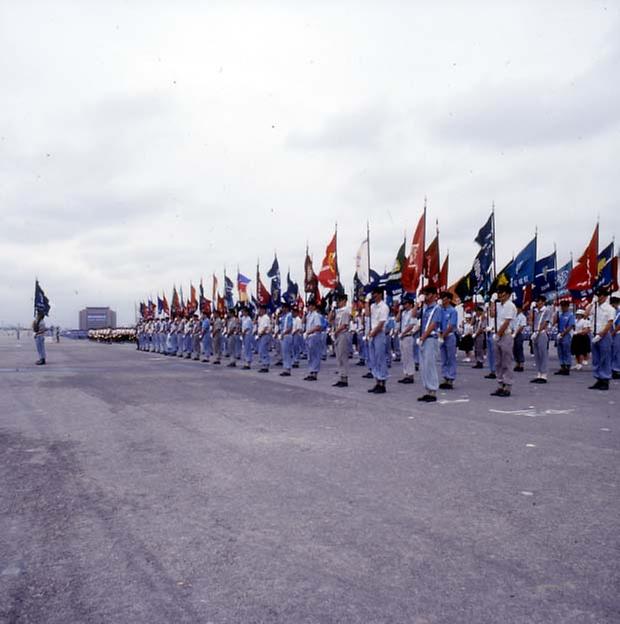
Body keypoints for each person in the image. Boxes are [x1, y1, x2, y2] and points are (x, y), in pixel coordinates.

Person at [490, 284, 516, 397]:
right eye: (499, 292)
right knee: (498, 362)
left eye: (502, 293)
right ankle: (500, 384)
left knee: (506, 361)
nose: (500, 295)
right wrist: (492, 302)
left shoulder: (509, 305)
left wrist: (498, 334)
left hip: (505, 335)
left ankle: (508, 386)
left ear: (508, 294)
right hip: (497, 334)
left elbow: (506, 323)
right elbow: (492, 314)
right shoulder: (499, 305)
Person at [417, 286, 442, 402]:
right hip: (423, 339)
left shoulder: (436, 308)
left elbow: (433, 324)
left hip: (430, 338)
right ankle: (427, 390)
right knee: (424, 366)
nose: (425, 296)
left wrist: (423, 337)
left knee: (430, 364)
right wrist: (418, 303)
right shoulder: (424, 308)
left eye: (427, 294)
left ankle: (433, 391)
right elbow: (414, 315)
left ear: (433, 295)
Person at [589, 288, 615, 390]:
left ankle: (605, 380)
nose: (598, 298)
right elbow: (586, 314)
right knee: (596, 358)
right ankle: (598, 379)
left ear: (605, 297)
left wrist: (601, 334)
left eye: (600, 296)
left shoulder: (609, 309)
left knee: (605, 358)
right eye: (597, 296)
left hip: (604, 335)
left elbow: (610, 323)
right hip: (594, 335)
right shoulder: (595, 307)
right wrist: (592, 302)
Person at [367, 287, 389, 394]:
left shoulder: (384, 307)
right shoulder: (373, 306)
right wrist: (367, 302)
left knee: (380, 358)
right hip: (372, 333)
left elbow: (381, 324)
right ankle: (377, 382)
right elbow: (367, 315)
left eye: (375, 294)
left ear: (380, 294)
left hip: (379, 334)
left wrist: (372, 333)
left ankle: (382, 384)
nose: (373, 296)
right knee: (373, 359)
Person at [438, 291, 458, 390]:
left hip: (449, 336)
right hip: (441, 335)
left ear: (449, 300)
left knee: (451, 358)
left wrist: (443, 336)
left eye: (444, 298)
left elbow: (451, 325)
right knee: (443, 358)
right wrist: (439, 334)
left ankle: (450, 378)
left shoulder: (452, 311)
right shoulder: (440, 310)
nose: (443, 300)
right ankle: (445, 377)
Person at [398, 293, 419, 384]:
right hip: (402, 336)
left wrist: (403, 333)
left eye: (406, 304)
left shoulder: (412, 312)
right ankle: (406, 374)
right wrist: (399, 311)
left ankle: (410, 376)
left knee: (409, 357)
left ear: (410, 304)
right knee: (404, 357)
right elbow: (397, 320)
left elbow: (411, 325)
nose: (404, 305)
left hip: (408, 336)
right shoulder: (403, 313)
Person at [530, 295, 552, 384]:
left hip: (542, 333)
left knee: (543, 354)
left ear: (543, 302)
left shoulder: (546, 310)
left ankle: (544, 374)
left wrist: (537, 332)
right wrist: (531, 311)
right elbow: (531, 321)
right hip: (534, 333)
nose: (537, 303)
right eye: (536, 301)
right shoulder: (535, 311)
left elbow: (545, 323)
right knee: (536, 354)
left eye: (539, 301)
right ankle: (539, 373)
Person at [332, 293, 352, 387]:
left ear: (344, 301)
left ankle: (344, 378)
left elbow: (344, 325)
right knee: (338, 357)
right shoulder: (338, 311)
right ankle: (341, 377)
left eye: (339, 300)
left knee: (343, 356)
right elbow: (330, 320)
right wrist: (332, 309)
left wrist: (335, 332)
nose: (338, 303)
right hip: (337, 334)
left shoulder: (346, 311)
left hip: (343, 334)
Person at [554, 300, 575, 375]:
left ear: (567, 306)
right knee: (560, 351)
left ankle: (567, 367)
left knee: (566, 351)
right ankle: (562, 366)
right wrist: (556, 314)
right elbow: (554, 322)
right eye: (561, 306)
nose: (562, 308)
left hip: (566, 335)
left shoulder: (570, 315)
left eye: (564, 306)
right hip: (559, 334)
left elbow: (570, 326)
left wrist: (563, 334)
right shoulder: (560, 314)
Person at [304, 299, 322, 381]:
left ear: (314, 306)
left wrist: (308, 332)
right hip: (309, 336)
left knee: (315, 355)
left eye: (310, 305)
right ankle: (311, 371)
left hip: (314, 335)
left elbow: (318, 326)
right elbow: (303, 322)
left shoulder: (316, 315)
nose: (309, 307)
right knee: (310, 355)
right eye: (308, 306)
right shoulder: (309, 315)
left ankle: (315, 373)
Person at [279, 303, 294, 377]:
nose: (282, 309)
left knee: (287, 353)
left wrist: (283, 333)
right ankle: (285, 368)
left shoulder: (289, 316)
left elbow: (289, 327)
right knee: (284, 353)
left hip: (287, 335)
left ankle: (288, 369)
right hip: (283, 335)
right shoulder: (283, 316)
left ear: (287, 308)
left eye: (283, 308)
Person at [256, 305, 271, 373]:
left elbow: (265, 328)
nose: (259, 311)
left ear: (264, 310)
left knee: (263, 350)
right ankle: (264, 364)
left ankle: (265, 365)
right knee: (261, 350)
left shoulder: (266, 318)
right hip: (261, 335)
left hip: (264, 335)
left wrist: (260, 334)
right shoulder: (260, 318)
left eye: (260, 310)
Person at [512, 305, 527, 371]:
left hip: (519, 334)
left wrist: (516, 333)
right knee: (514, 349)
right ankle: (517, 363)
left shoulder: (522, 317)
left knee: (519, 348)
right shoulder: (514, 316)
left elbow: (522, 326)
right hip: (513, 333)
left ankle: (521, 364)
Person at [611, 296, 620, 380]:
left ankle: (616, 370)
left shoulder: (619, 312)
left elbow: (619, 325)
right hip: (610, 334)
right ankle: (611, 369)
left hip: (617, 334)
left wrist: (613, 333)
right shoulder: (611, 312)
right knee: (610, 352)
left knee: (617, 352)